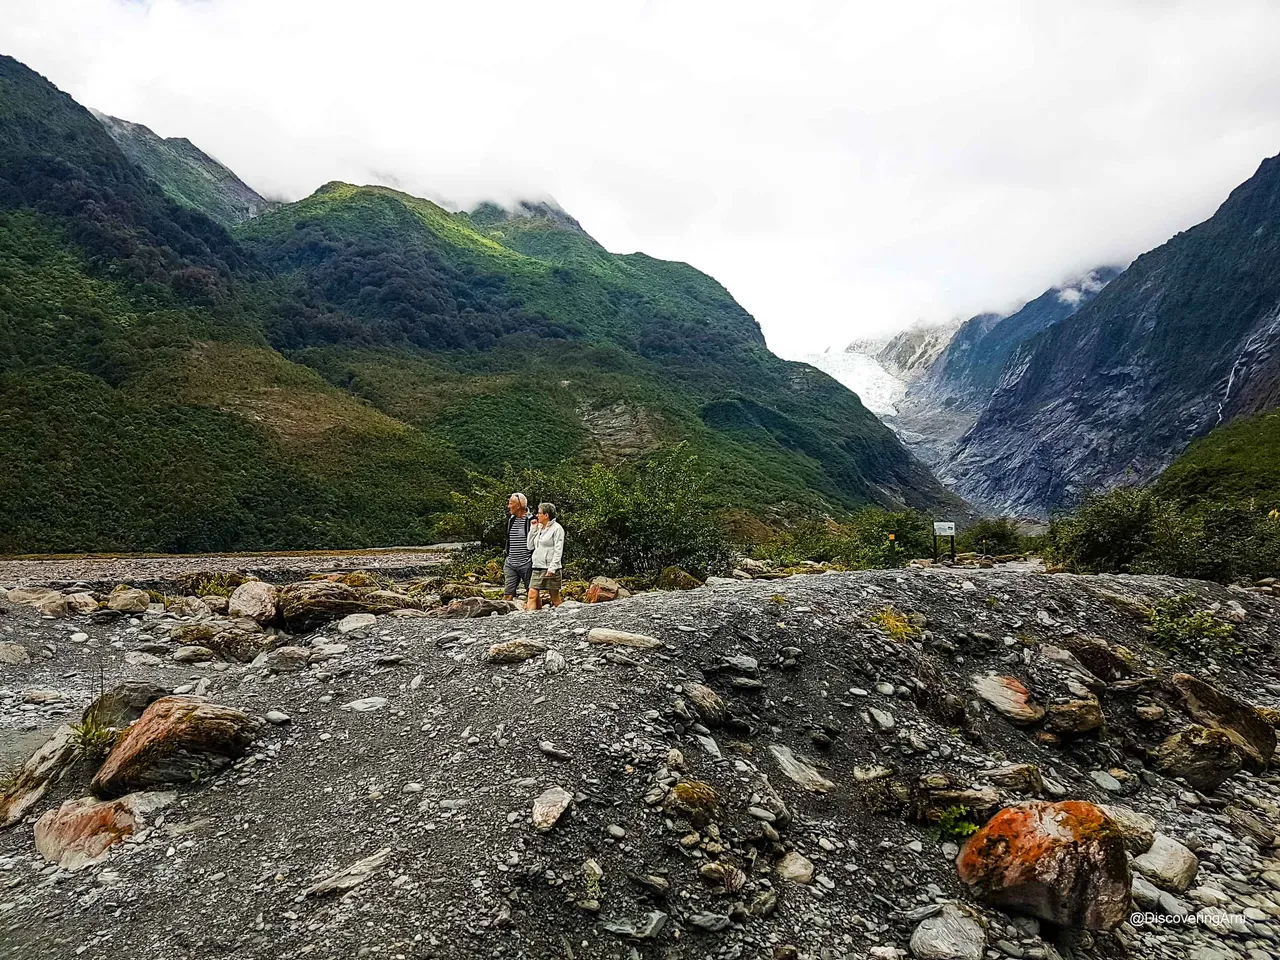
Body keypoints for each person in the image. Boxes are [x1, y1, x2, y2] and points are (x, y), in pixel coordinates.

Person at [526, 501, 564, 610]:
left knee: (554, 597)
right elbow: (530, 546)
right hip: (537, 566)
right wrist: (533, 529)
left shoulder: (557, 529)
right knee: (532, 593)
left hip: (550, 568)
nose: (537, 516)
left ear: (546, 515)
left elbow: (558, 550)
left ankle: (564, 616)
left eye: (539, 513)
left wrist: (552, 567)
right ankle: (529, 618)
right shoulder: (539, 528)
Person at [502, 493, 535, 601]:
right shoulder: (511, 519)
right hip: (511, 563)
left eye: (510, 504)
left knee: (532, 593)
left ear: (518, 506)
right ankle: (503, 616)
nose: (508, 506)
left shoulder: (532, 521)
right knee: (507, 593)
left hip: (527, 563)